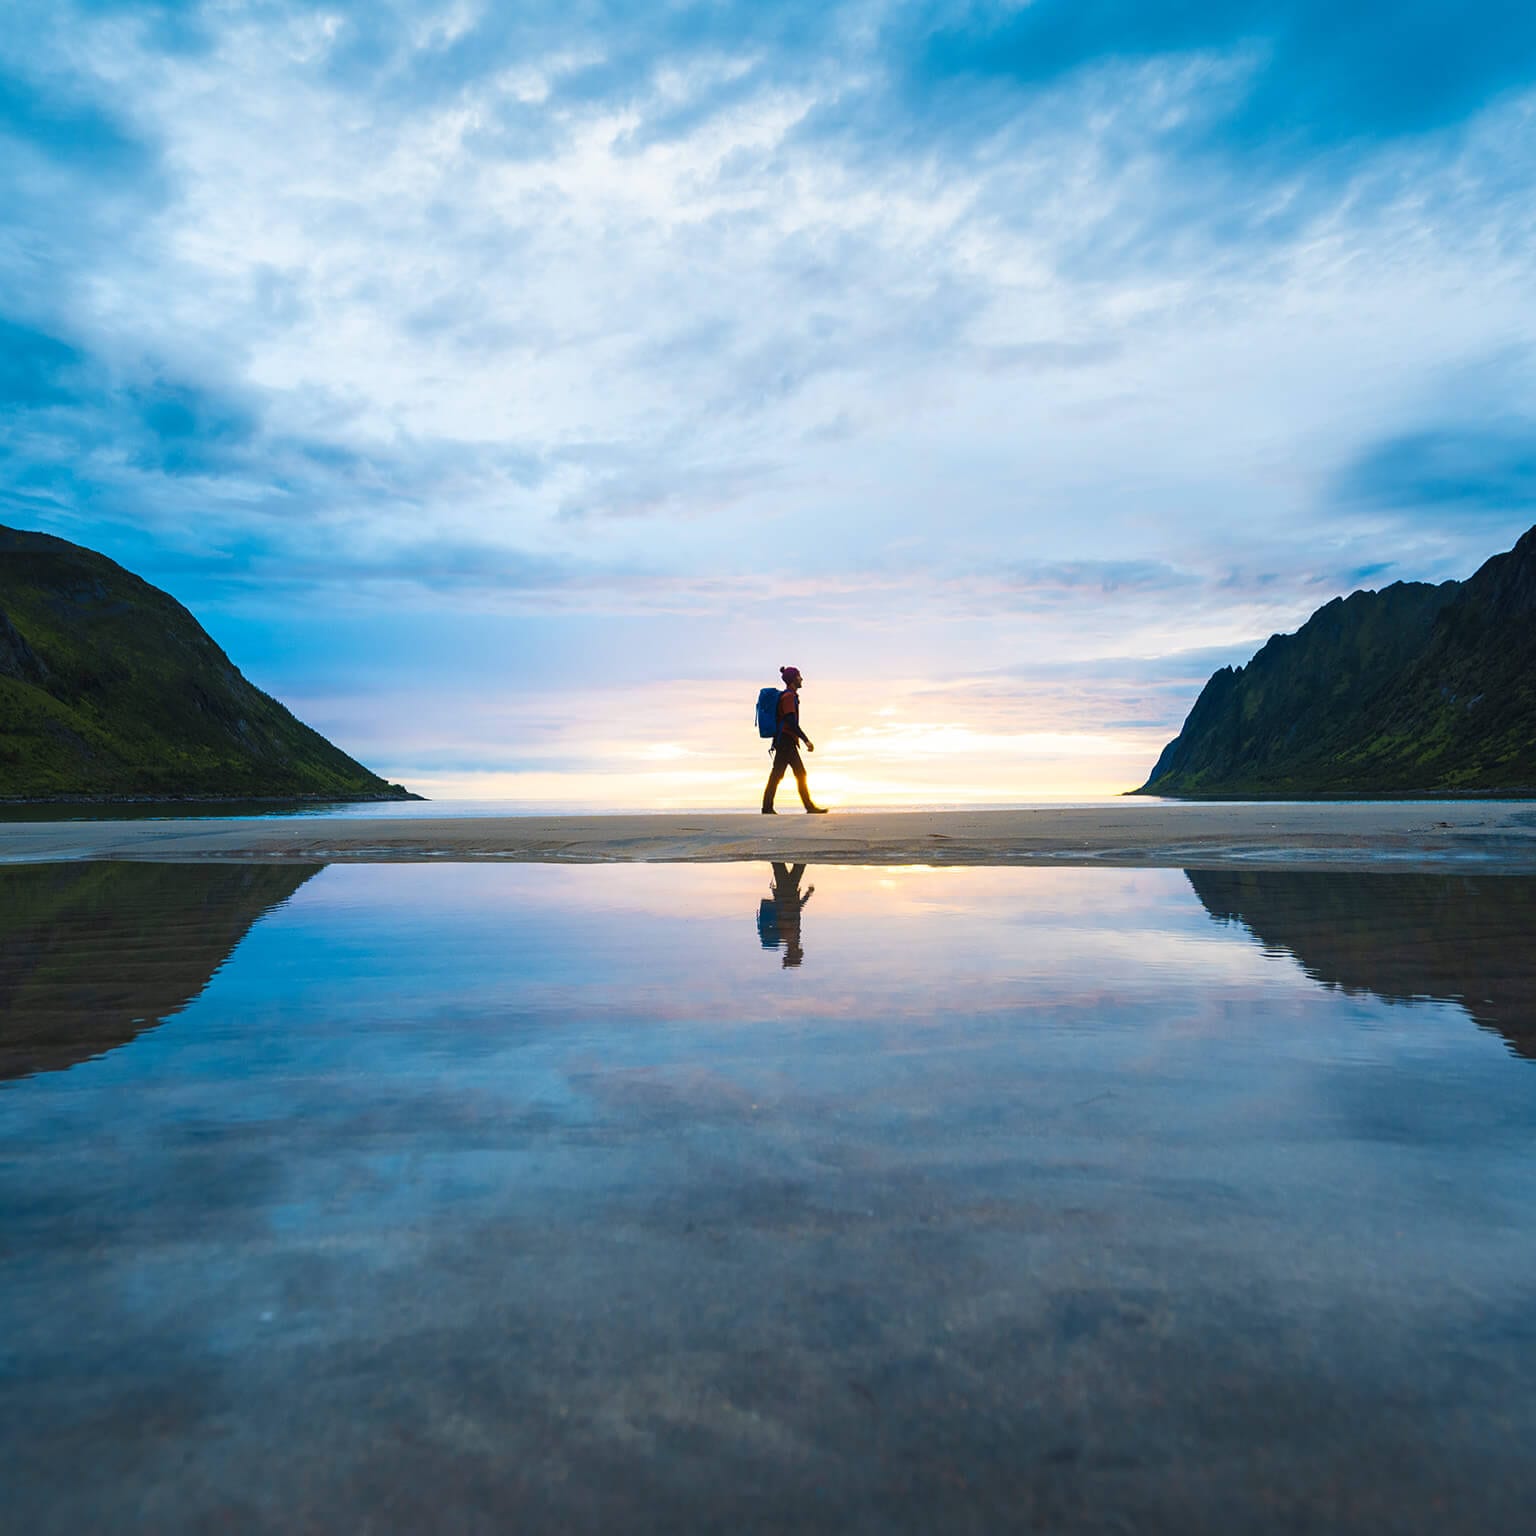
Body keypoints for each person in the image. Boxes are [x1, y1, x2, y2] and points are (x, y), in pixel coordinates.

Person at [762, 665, 828, 814]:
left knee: (779, 774)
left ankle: (767, 807)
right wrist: (806, 740)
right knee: (796, 774)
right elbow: (791, 722)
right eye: (799, 676)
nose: (802, 678)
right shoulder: (789, 697)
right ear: (793, 680)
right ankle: (808, 807)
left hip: (784, 741)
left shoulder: (789, 696)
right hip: (786, 741)